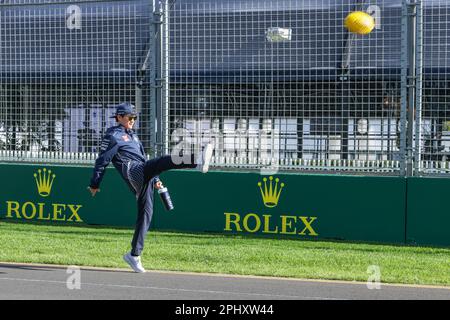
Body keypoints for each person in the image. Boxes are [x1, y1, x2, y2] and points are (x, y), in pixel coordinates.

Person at [87, 102, 212, 273]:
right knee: (161, 161)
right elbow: (102, 160)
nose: (132, 120)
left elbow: (145, 162)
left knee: (146, 213)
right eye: (129, 117)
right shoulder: (113, 135)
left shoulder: (133, 136)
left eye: (134, 117)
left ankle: (134, 255)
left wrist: (156, 179)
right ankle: (196, 159)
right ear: (119, 117)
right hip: (132, 171)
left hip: (144, 173)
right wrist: (95, 183)